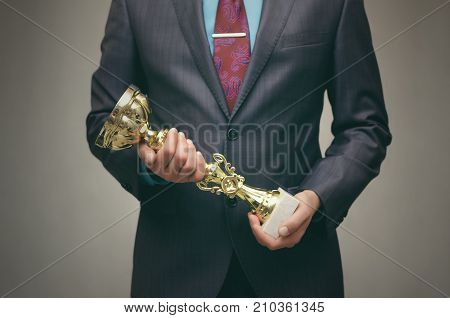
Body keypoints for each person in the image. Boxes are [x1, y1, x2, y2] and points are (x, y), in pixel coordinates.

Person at [86, 0, 391, 297]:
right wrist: (147, 160)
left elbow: (365, 127)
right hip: (174, 270)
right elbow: (105, 119)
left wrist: (316, 198)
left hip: (297, 271)